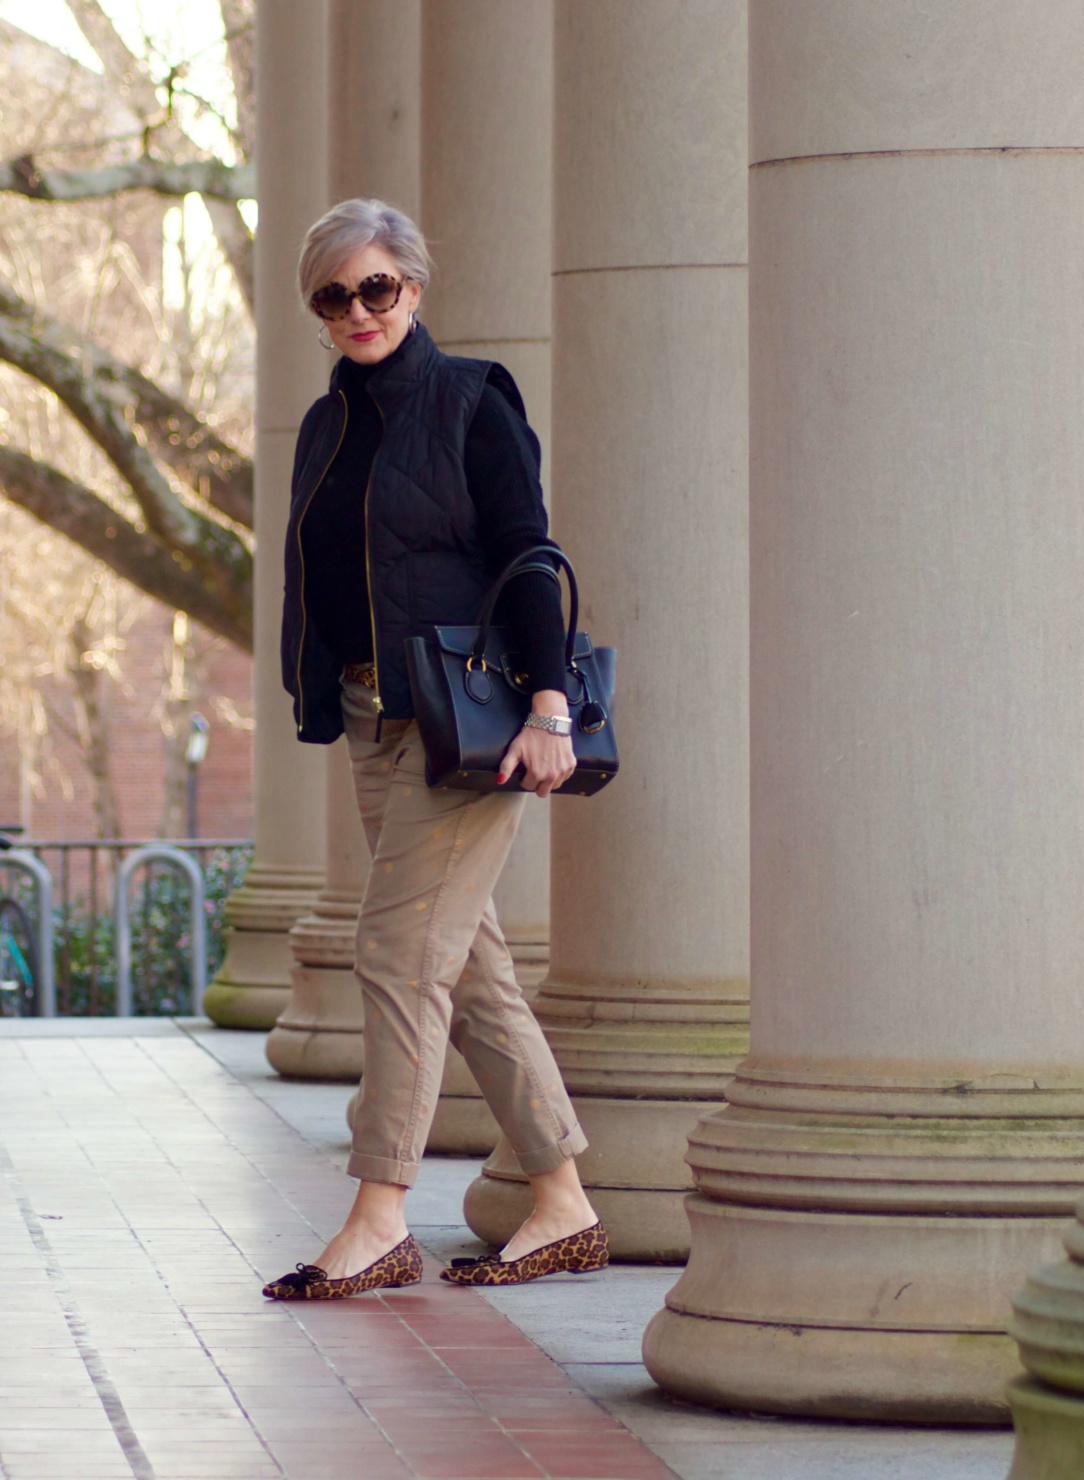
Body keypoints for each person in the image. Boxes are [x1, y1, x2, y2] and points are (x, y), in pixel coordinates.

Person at [262, 198, 605, 1300]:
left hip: (475, 728)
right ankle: (560, 1199)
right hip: (378, 719)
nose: (358, 311)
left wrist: (551, 707)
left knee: (399, 956)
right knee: (468, 972)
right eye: (334, 295)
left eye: (378, 288)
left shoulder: (471, 401)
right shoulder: (328, 424)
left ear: (415, 287)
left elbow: (528, 552)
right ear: (316, 308)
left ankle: (378, 1214)